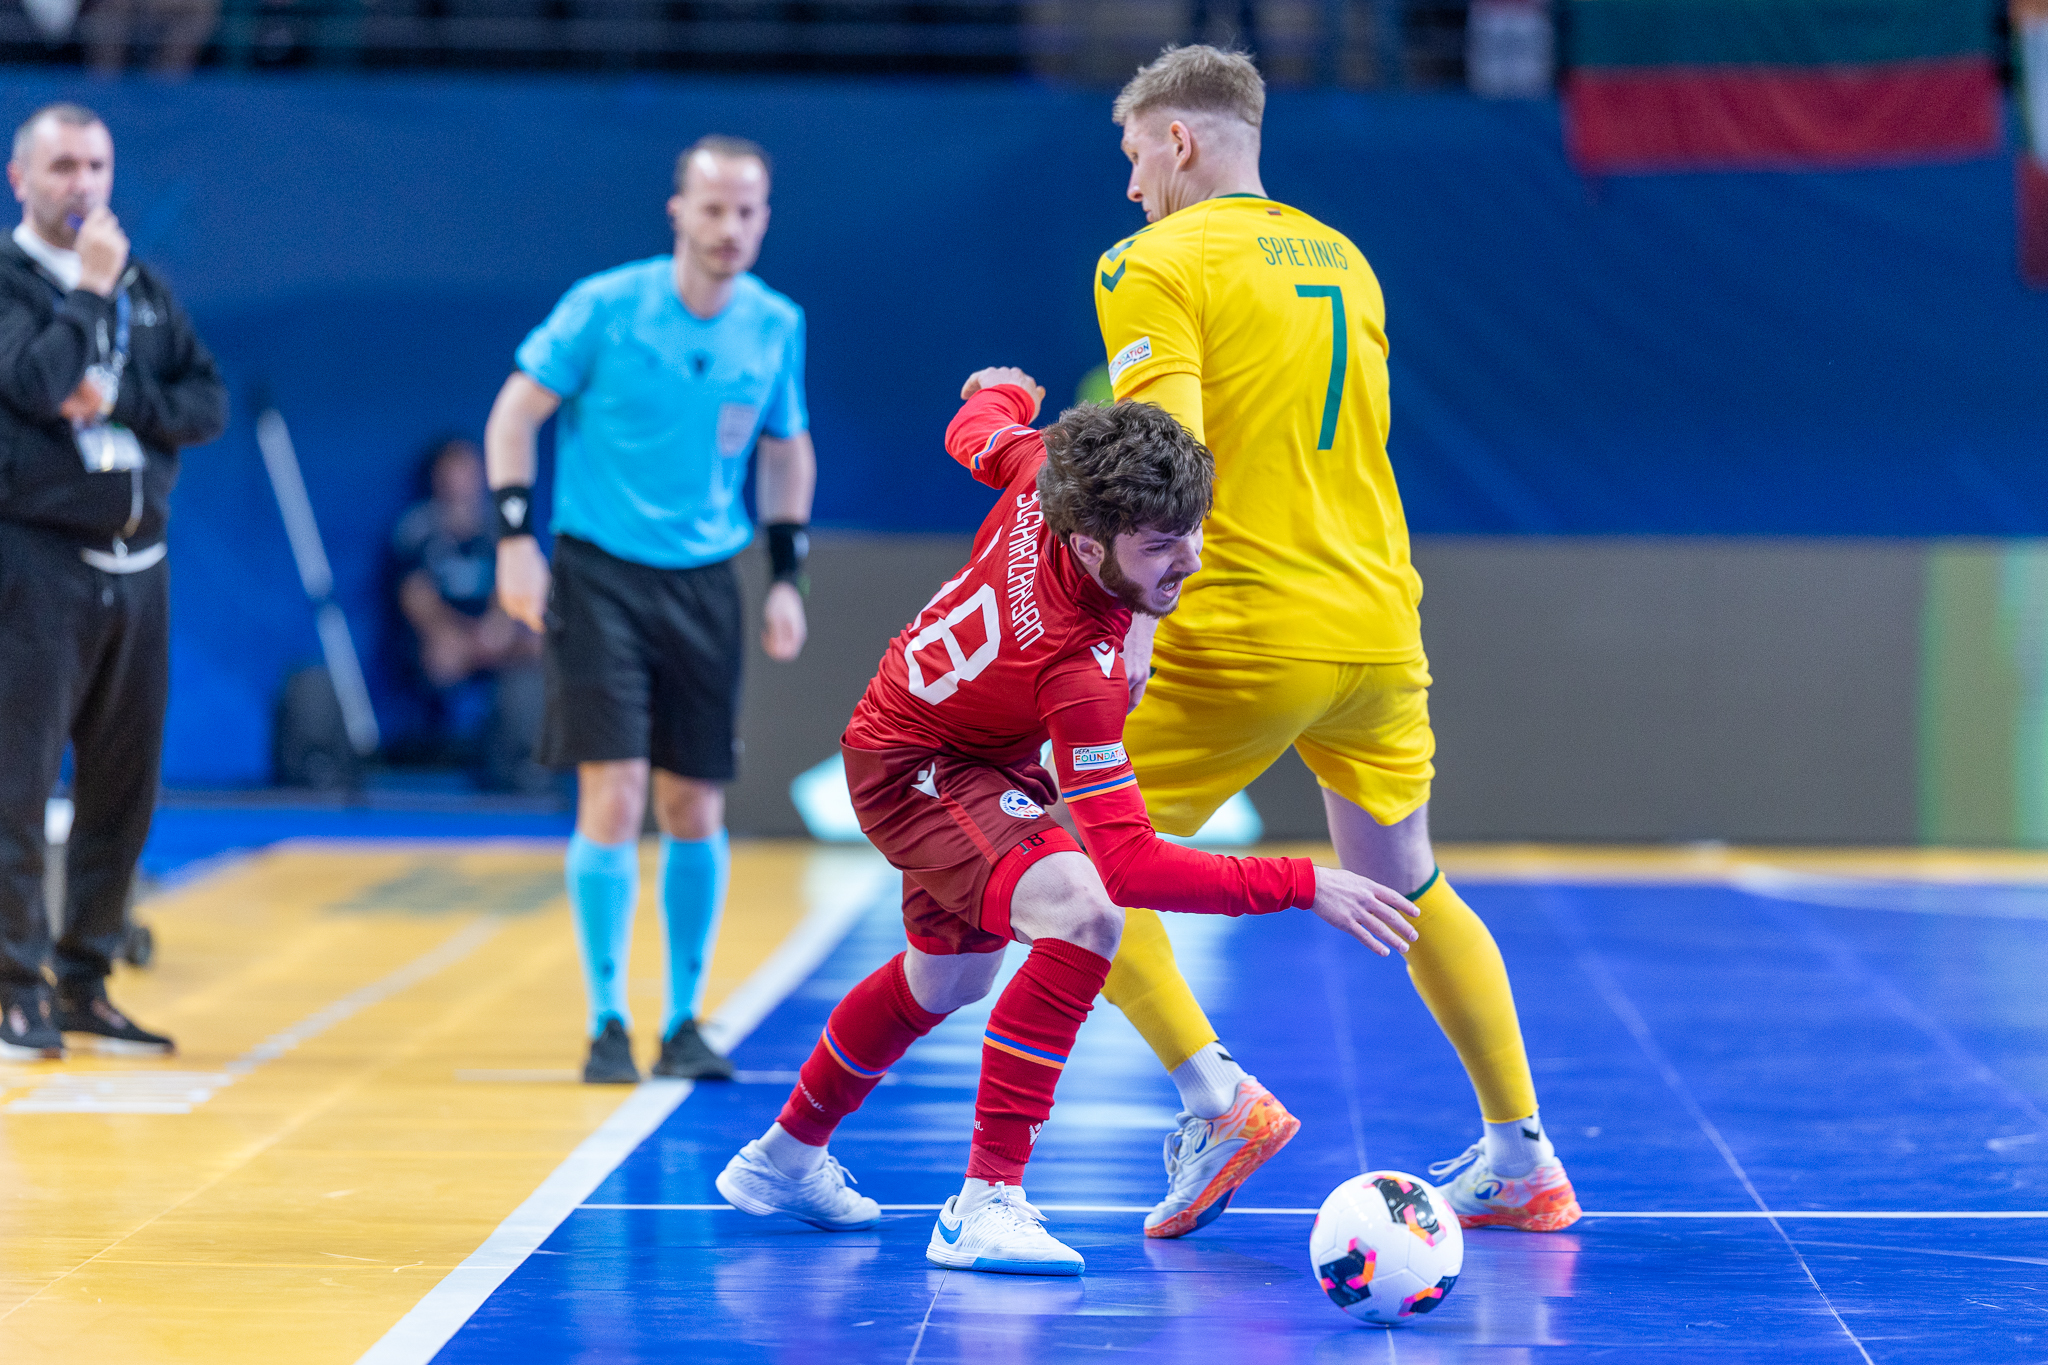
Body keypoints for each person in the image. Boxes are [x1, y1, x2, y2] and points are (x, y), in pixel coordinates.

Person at [715, 369, 1422, 1276]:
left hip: (951, 744)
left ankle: (781, 1159)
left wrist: (998, 390)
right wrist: (1304, 882)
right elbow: (1129, 866)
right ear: (1090, 546)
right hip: (920, 768)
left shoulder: (1047, 467)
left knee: (946, 980)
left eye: (1195, 529)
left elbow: (974, 426)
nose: (1190, 560)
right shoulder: (1078, 665)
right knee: (1085, 911)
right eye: (1162, 544)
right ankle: (986, 1203)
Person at [1091, 45, 1582, 1234]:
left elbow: (1164, 463)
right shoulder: (1342, 258)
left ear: (1178, 141)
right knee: (1407, 875)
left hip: (1241, 625)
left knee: (1055, 851)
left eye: (1134, 157)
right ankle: (1520, 1156)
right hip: (1373, 624)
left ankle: (1215, 1099)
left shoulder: (1150, 260)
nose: (1129, 186)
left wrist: (1132, 618)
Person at [485, 135, 815, 1085]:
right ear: (678, 212)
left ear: (764, 218)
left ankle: (683, 1019)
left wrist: (785, 575)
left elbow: (786, 448)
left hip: (704, 579)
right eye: (712, 208)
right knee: (617, 790)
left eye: (747, 210)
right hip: (601, 576)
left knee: (693, 799)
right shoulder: (605, 307)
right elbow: (514, 416)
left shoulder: (774, 323)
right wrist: (515, 539)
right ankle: (606, 1019)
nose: (729, 227)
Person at [0, 103, 226, 1058]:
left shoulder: (146, 286)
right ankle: (14, 990)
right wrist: (89, 291)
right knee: (16, 784)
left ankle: (85, 980)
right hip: (37, 563)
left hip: (139, 564)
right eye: (62, 166)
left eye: (95, 165)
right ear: (20, 178)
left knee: (122, 787)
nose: (82, 183)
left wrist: (124, 397)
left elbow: (205, 401)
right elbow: (37, 383)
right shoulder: (16, 280)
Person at [390, 436, 547, 793]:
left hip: (491, 635)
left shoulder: (497, 526)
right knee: (442, 656)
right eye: (454, 470)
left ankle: (526, 755)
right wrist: (458, 634)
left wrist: (498, 623)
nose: (462, 480)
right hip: (443, 638)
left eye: (468, 470)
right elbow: (415, 597)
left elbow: (512, 581)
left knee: (540, 648)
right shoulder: (417, 529)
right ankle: (440, 750)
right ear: (438, 476)